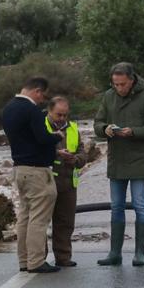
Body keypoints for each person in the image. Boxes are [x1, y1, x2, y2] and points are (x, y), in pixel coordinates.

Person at [94, 62, 144, 267]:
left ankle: (139, 254)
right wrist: (105, 128)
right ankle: (114, 253)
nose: (119, 88)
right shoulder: (108, 96)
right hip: (116, 159)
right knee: (116, 206)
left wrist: (133, 132)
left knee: (139, 205)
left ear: (132, 80)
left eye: (122, 84)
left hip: (140, 159)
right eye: (116, 84)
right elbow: (97, 123)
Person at [1, 76, 64, 274]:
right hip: (37, 170)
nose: (41, 100)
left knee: (24, 216)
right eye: (42, 96)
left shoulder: (8, 109)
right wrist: (57, 137)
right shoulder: (31, 110)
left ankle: (24, 260)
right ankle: (36, 261)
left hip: (19, 169)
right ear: (37, 91)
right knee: (39, 218)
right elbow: (41, 137)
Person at [45, 96, 89, 268]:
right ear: (49, 111)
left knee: (65, 222)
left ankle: (63, 257)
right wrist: (57, 154)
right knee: (41, 222)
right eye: (58, 115)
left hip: (69, 181)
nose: (62, 118)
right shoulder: (42, 127)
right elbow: (38, 150)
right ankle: (39, 258)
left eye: (65, 115)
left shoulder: (73, 129)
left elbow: (83, 153)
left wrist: (76, 159)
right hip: (47, 180)